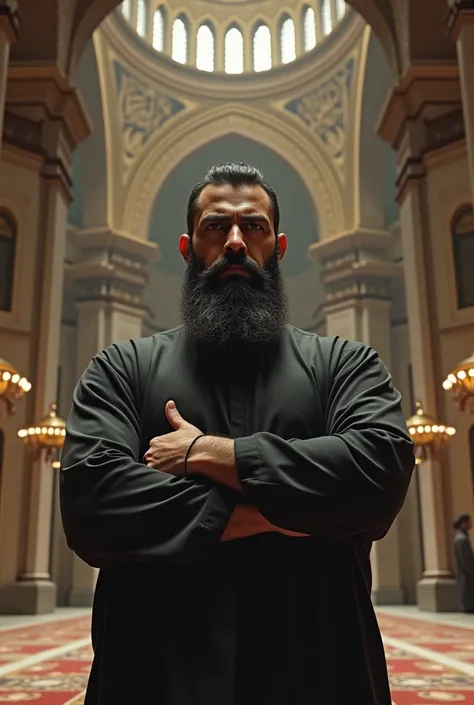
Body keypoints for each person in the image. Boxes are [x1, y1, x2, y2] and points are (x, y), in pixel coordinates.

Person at [60, 162, 415, 705]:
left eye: (253, 227)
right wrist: (294, 509)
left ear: (278, 246)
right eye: (214, 227)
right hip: (157, 677)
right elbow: (93, 504)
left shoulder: (345, 364)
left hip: (317, 673)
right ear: (186, 247)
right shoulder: (120, 368)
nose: (234, 242)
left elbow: (376, 474)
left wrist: (204, 452)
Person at [453, 513, 474, 613]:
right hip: (467, 574)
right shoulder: (462, 539)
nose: (471, 523)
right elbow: (466, 560)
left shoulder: (462, 538)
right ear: (463, 523)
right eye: (469, 521)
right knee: (468, 594)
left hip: (466, 574)